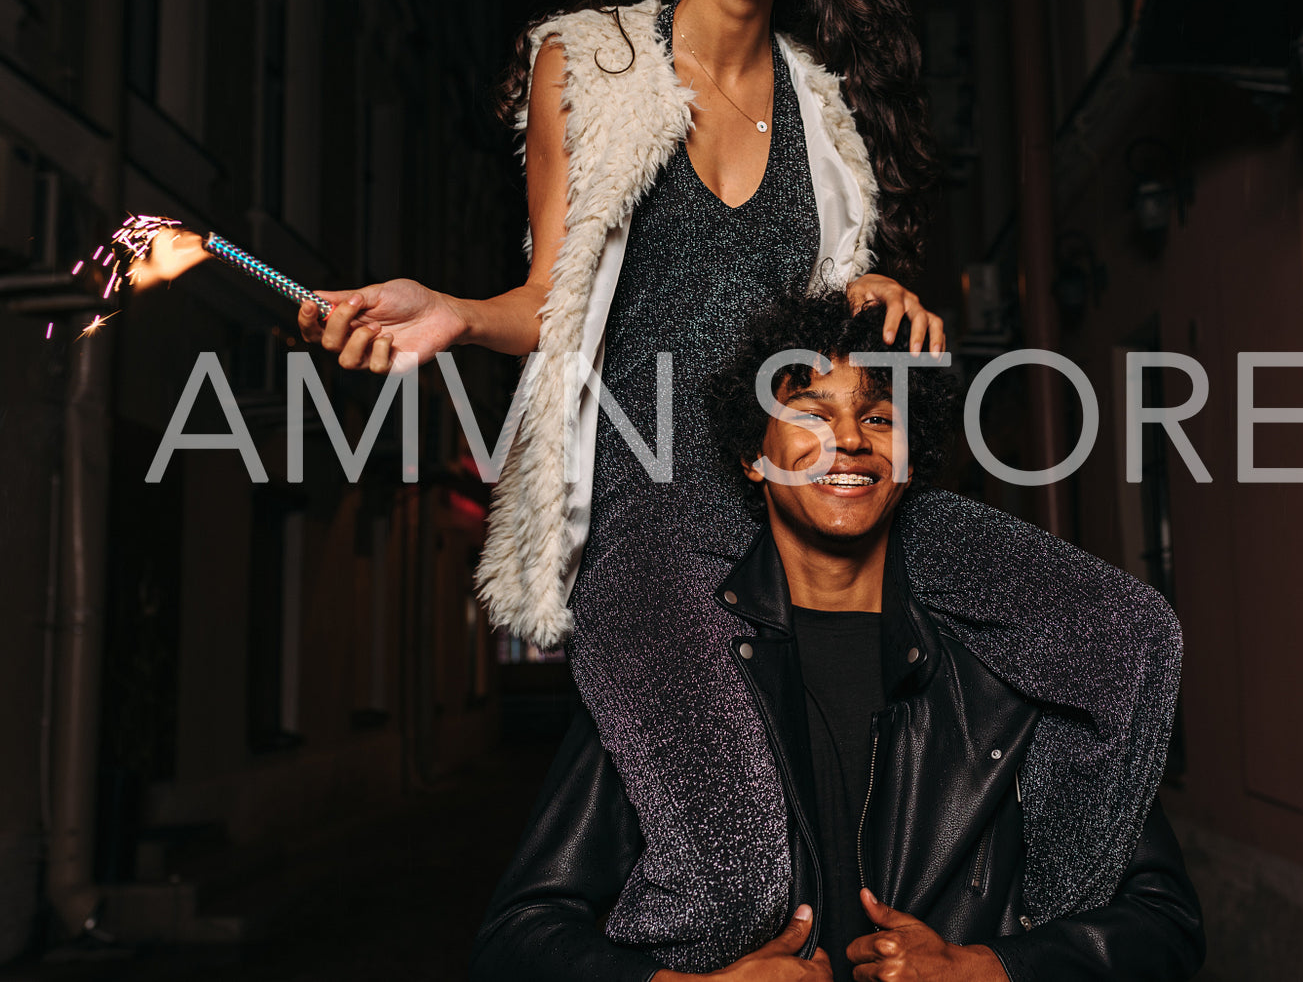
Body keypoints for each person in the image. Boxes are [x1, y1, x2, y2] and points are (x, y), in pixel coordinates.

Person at [291, 0, 1186, 971]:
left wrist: (883, 292)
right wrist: (454, 314)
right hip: (656, 516)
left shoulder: (825, 108)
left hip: (815, 496)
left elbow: (830, 337)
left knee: (1127, 641)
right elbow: (555, 295)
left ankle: (1019, 931)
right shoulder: (589, 62)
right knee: (732, 871)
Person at [470, 290, 1204, 982]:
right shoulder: (676, 664)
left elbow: (1163, 923)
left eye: (879, 419)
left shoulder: (1006, 665)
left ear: (908, 461)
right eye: (809, 413)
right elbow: (520, 934)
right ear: (752, 458)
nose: (848, 439)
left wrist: (990, 969)